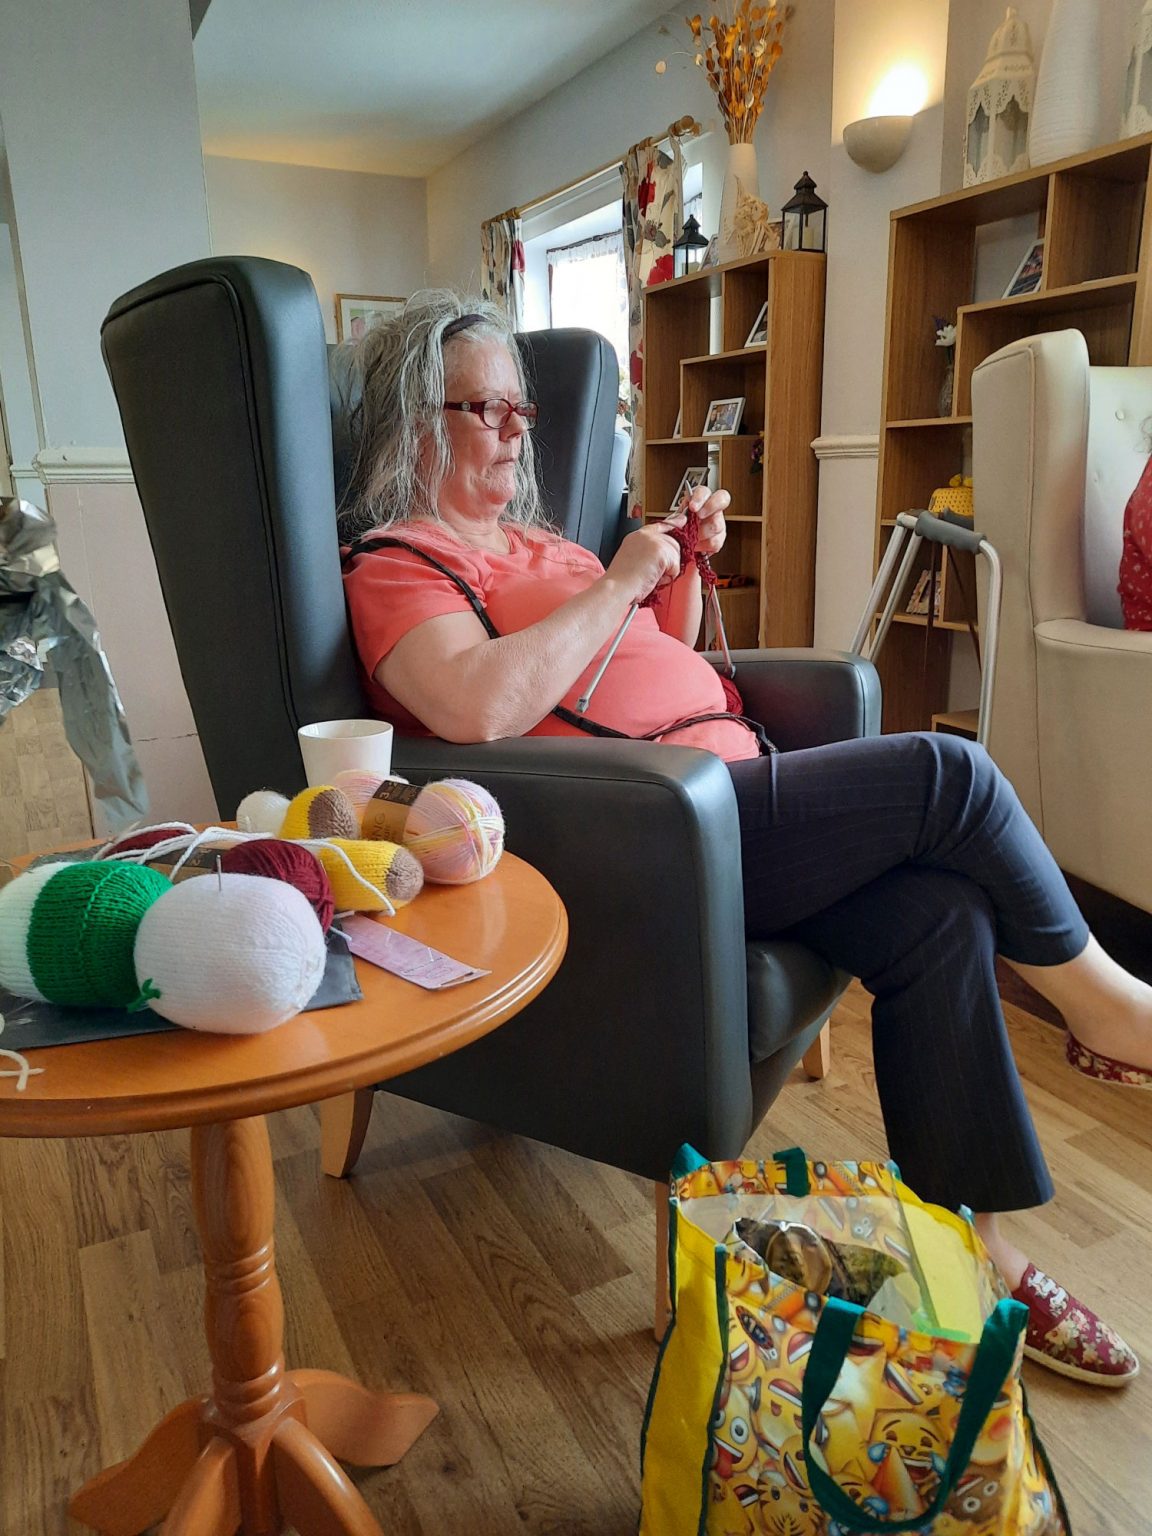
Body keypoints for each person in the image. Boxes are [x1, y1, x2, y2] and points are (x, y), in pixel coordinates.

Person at [341, 290, 1152, 1387]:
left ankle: (976, 1249)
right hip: (648, 844)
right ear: (413, 420)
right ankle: (1109, 1011)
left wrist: (672, 572)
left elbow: (644, 656)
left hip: (728, 797)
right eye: (485, 407)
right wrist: (619, 576)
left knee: (939, 914)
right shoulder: (399, 563)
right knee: (949, 772)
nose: (516, 429)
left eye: (521, 408)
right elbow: (475, 706)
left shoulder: (538, 543)